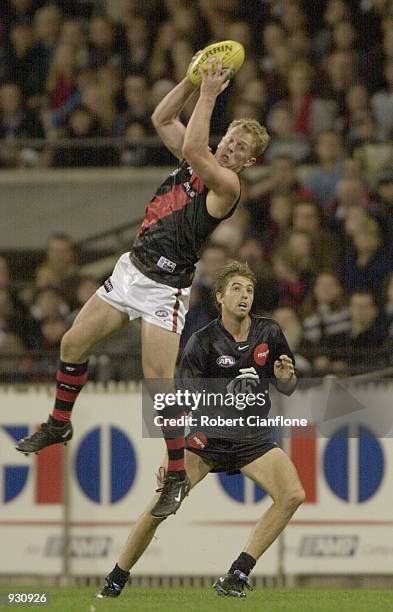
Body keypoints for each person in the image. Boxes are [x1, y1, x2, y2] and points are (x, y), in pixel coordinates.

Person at [15, 57, 271, 519]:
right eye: (231, 139)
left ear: (248, 162)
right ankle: (58, 424)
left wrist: (209, 93)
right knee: (72, 343)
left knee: (158, 387)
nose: (231, 149)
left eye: (240, 149)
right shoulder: (202, 156)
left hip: (165, 287)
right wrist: (190, 81)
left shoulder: (227, 185)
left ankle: (176, 473)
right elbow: (161, 118)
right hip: (132, 269)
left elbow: (195, 147)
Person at [97, 261, 304, 599]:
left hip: (252, 437)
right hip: (207, 438)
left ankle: (238, 573)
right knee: (165, 501)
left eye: (249, 290)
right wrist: (170, 455)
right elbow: (180, 403)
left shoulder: (270, 332)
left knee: (292, 495)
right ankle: (116, 577)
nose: (244, 295)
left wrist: (286, 379)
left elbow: (288, 386)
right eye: (236, 288)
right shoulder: (203, 341)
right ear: (220, 296)